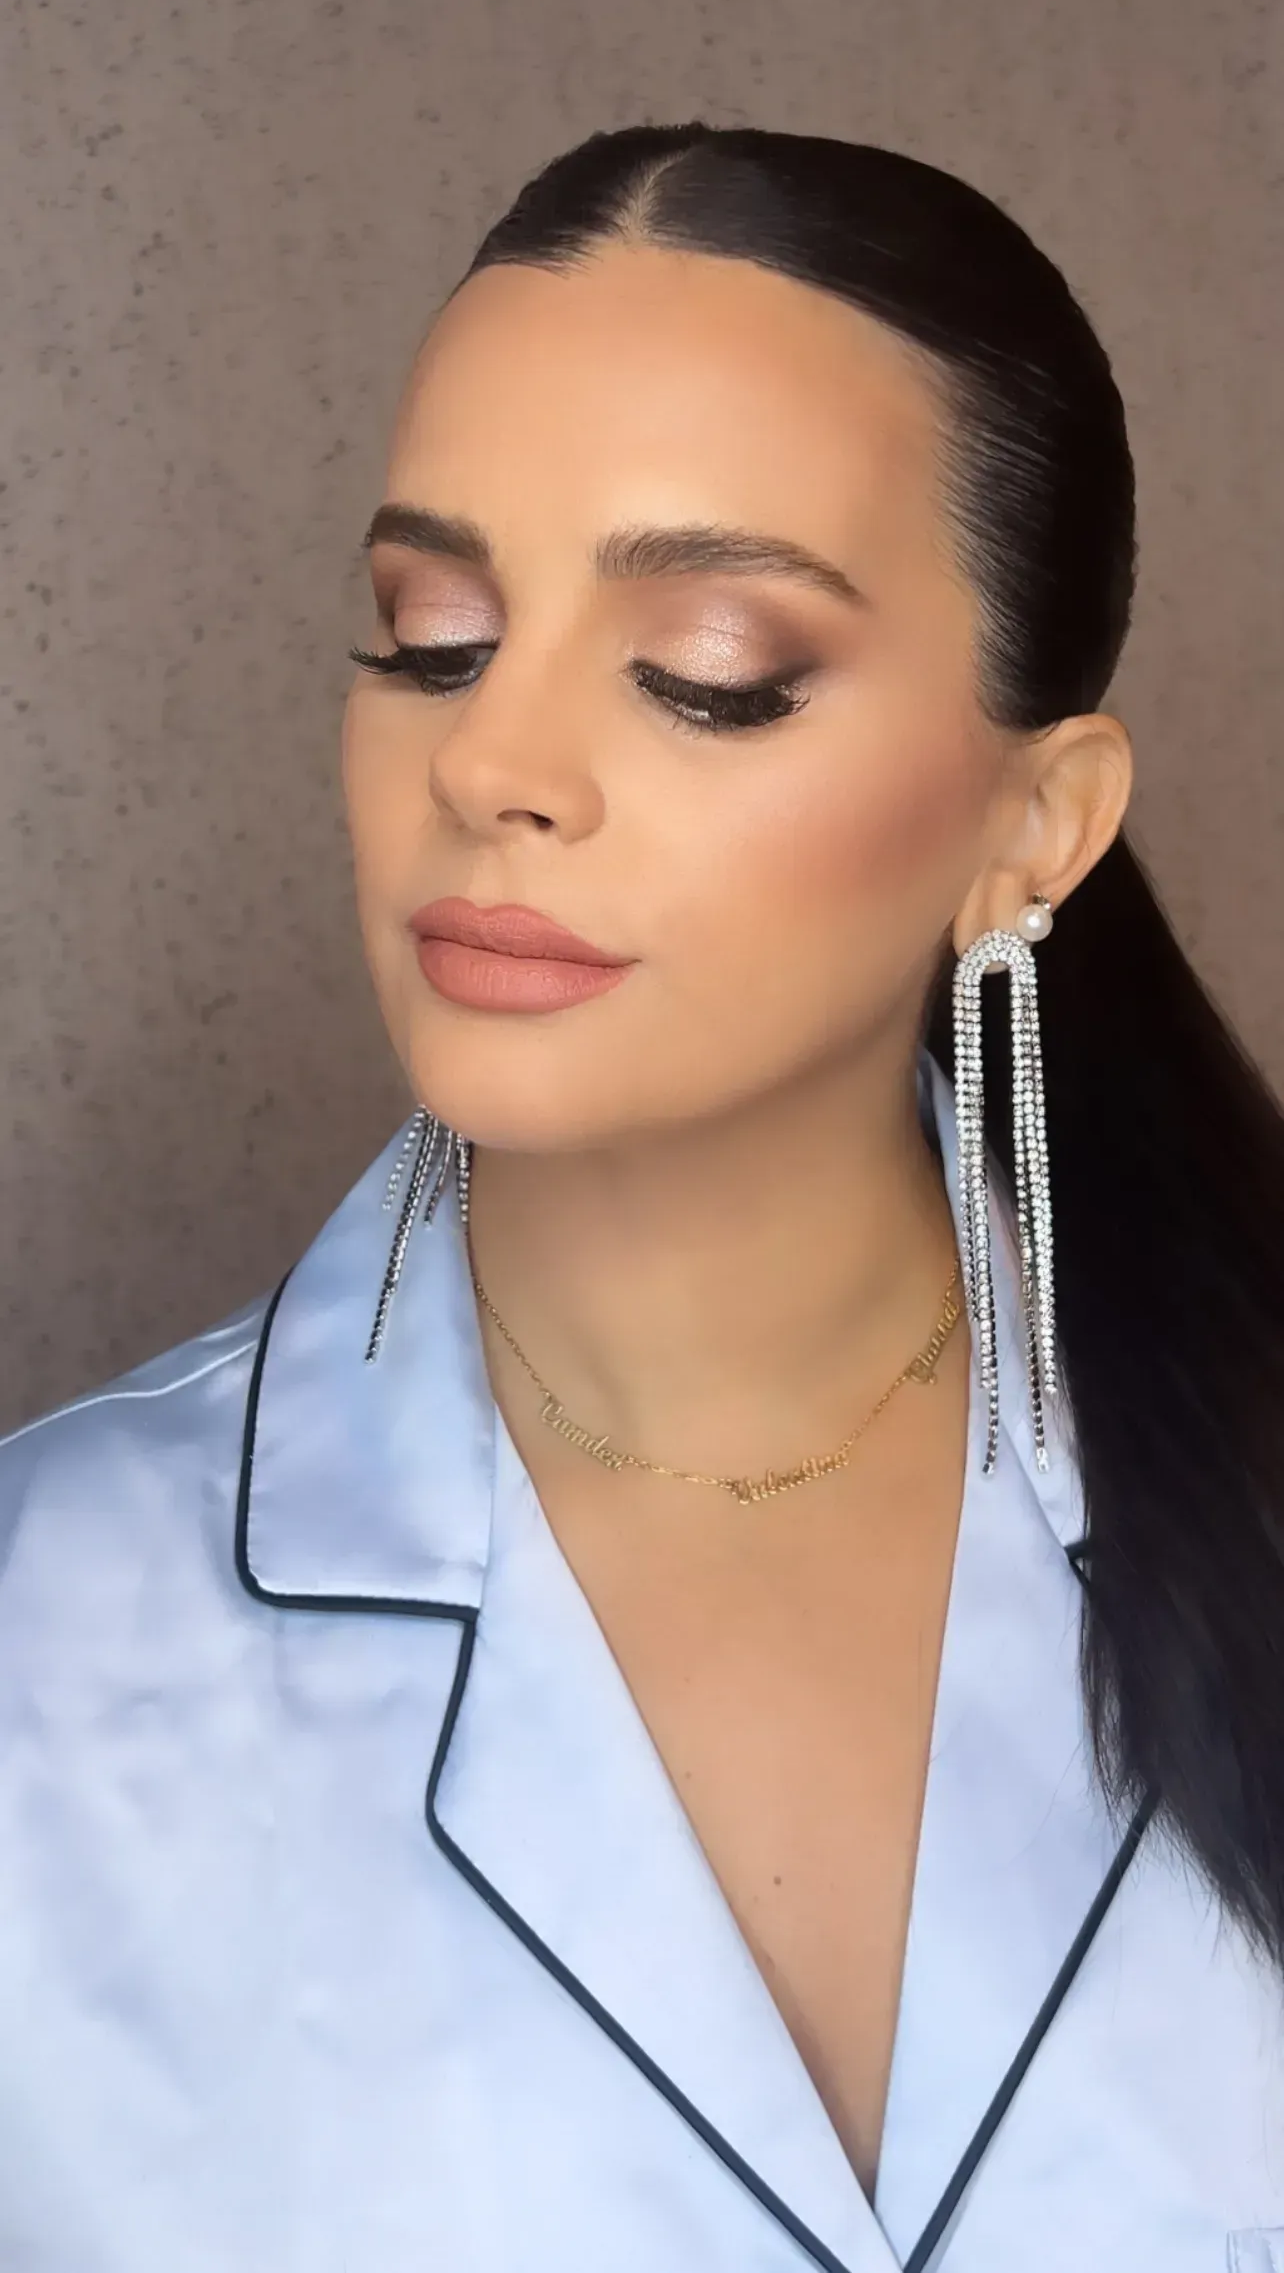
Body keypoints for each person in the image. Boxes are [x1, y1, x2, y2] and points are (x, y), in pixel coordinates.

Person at [1, 122, 1281, 2273]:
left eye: (705, 668)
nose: (494, 760)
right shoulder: (45, 1645)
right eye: (429, 636)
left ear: (1035, 823)